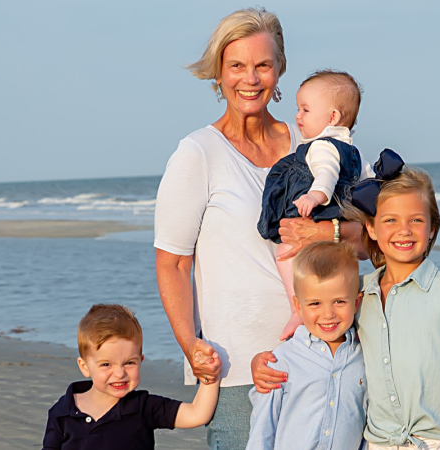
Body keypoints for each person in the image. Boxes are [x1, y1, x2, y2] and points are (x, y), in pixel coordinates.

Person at [154, 7, 365, 449]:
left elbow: (372, 235)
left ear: (279, 69)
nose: (250, 78)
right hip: (238, 369)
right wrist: (191, 345)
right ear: (218, 72)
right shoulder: (197, 153)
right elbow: (173, 262)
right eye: (236, 65)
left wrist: (329, 235)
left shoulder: (318, 141)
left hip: (327, 356)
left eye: (263, 65)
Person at [252, 154, 440, 450]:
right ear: (371, 229)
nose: (403, 230)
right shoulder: (359, 294)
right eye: (390, 220)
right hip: (381, 443)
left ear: (432, 227)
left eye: (416, 220)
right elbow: (319, 339)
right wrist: (264, 362)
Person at [257, 70, 376, 341]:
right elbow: (369, 184)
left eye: (305, 109)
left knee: (285, 254)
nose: (298, 116)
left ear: (332, 117)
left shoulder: (321, 147)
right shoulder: (355, 152)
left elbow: (326, 174)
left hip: (319, 215)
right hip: (340, 223)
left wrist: (315, 196)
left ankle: (296, 307)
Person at [42, 304, 221, 450]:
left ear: (141, 360)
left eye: (129, 363)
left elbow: (197, 414)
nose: (120, 373)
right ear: (85, 367)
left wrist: (210, 374)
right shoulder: (62, 412)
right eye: (106, 364)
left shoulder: (143, 407)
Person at [246, 241, 367, 450]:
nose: (328, 314)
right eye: (315, 303)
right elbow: (262, 429)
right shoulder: (281, 361)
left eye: (339, 302)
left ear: (356, 303)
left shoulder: (364, 359)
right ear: (298, 306)